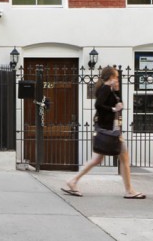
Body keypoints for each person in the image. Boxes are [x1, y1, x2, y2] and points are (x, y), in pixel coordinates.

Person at [62, 65, 145, 199]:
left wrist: (117, 91)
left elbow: (119, 105)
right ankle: (129, 190)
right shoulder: (105, 88)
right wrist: (113, 109)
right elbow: (98, 105)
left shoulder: (110, 90)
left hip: (111, 129)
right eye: (116, 77)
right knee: (122, 158)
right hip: (109, 130)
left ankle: (73, 181)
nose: (117, 79)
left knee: (99, 159)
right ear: (111, 77)